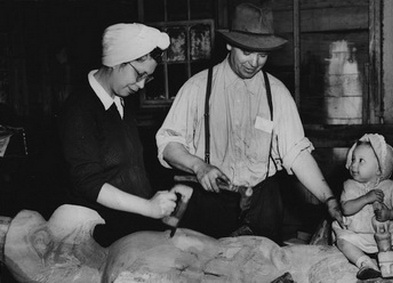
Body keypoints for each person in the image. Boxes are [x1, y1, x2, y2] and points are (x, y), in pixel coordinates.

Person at [156, 2, 344, 243]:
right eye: (247, 52)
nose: (254, 62)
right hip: (210, 201)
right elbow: (168, 144)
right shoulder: (197, 88)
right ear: (229, 44)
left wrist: (328, 198)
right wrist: (199, 166)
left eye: (262, 55)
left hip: (263, 201)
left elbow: (296, 153)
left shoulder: (276, 93)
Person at [60, 23, 178, 247]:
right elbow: (88, 181)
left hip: (131, 230)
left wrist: (156, 207)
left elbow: (129, 169)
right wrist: (148, 207)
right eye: (140, 74)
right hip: (98, 238)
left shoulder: (121, 101)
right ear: (117, 61)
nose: (142, 85)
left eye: (148, 78)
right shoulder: (79, 108)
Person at [332, 133, 393, 280]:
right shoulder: (349, 186)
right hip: (360, 236)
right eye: (353, 159)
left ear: (379, 169)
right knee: (343, 240)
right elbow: (346, 208)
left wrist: (391, 214)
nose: (354, 165)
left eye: (361, 161)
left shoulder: (392, 187)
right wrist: (365, 198)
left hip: (389, 236)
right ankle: (365, 263)